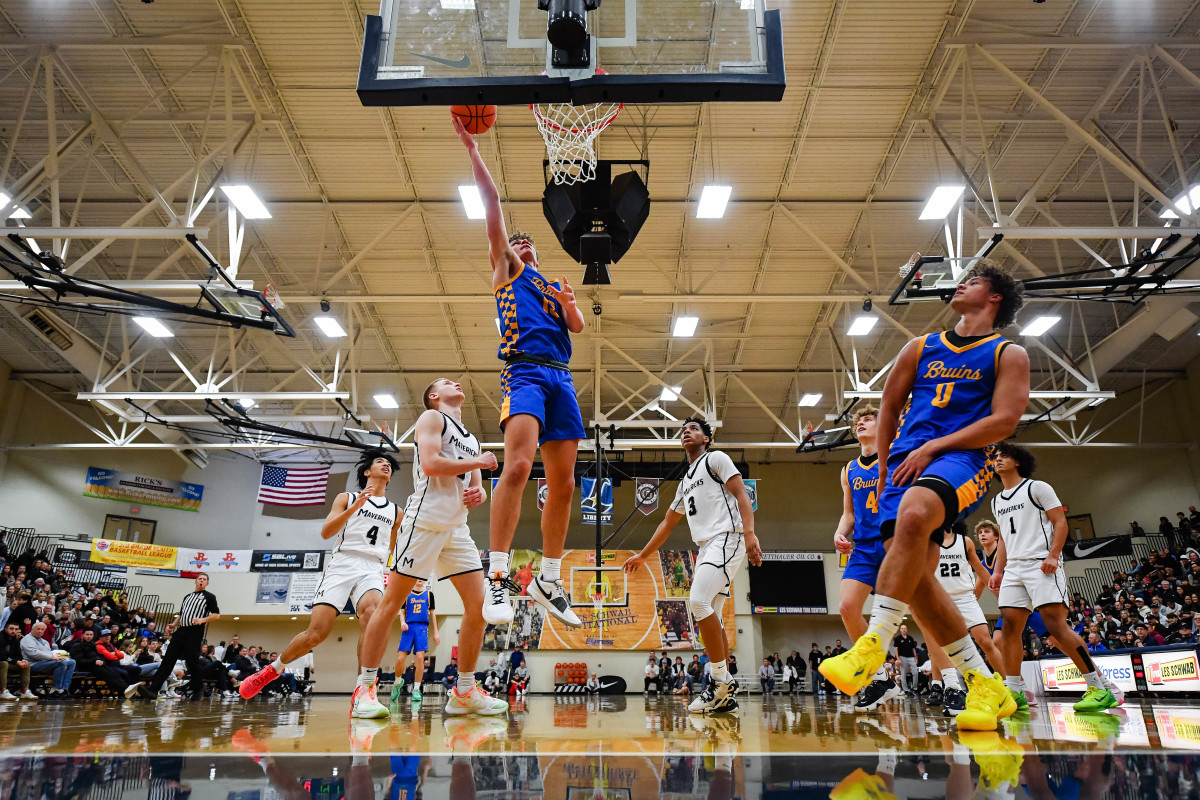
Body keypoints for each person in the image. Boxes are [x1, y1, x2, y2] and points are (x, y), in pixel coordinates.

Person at [820, 260, 1029, 732]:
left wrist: (935, 445)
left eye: (973, 281)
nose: (961, 284)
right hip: (907, 462)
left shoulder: (1007, 353)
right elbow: (891, 404)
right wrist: (887, 464)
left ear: (994, 298)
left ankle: (873, 646)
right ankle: (984, 683)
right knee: (916, 583)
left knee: (915, 514)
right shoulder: (920, 347)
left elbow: (1005, 421)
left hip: (963, 459)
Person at [455, 117, 585, 630]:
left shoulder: (551, 286)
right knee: (516, 468)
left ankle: (549, 578)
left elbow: (576, 327)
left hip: (561, 377)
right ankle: (499, 575)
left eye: (530, 241)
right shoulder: (507, 269)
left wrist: (569, 303)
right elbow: (492, 209)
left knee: (566, 482)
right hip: (525, 374)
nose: (523, 243)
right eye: (517, 240)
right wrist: (472, 151)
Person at [349, 378, 508, 720]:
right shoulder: (431, 419)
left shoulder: (471, 439)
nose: (457, 382)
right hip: (423, 523)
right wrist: (479, 463)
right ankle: (364, 688)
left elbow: (474, 488)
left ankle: (464, 692)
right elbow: (433, 464)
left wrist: (478, 493)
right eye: (446, 382)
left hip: (456, 528)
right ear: (435, 397)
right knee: (391, 605)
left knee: (478, 607)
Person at [624, 417, 763, 715]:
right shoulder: (686, 480)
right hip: (708, 546)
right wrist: (643, 555)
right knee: (711, 614)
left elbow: (742, 495)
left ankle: (721, 682)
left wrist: (750, 534)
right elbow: (667, 522)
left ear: (707, 438)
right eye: (684, 429)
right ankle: (723, 692)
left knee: (698, 602)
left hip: (727, 537)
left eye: (694, 428)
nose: (687, 431)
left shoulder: (716, 459)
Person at [240, 450, 401, 699]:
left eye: (389, 463)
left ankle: (364, 689)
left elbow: (393, 547)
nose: (386, 464)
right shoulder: (346, 498)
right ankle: (273, 670)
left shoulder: (395, 512)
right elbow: (326, 532)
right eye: (380, 461)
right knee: (316, 634)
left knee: (371, 615)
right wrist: (354, 508)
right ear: (367, 471)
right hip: (343, 562)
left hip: (372, 567)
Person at [990, 441, 1121, 714]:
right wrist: (998, 570)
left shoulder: (1037, 487)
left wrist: (1053, 555)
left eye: (1004, 455)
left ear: (1018, 461)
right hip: (1013, 568)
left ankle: (1098, 686)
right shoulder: (996, 500)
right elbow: (1003, 538)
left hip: (1041, 563)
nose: (998, 459)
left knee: (1056, 626)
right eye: (995, 457)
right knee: (1009, 630)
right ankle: (1015, 690)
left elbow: (1061, 522)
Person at [832, 405, 904, 711]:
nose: (861, 423)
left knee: (915, 614)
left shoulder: (896, 457)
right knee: (847, 607)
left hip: (893, 543)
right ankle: (881, 676)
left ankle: (951, 681)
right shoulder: (848, 470)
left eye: (869, 419)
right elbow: (849, 514)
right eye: (858, 421)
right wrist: (839, 533)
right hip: (862, 547)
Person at [928, 521, 1006, 716]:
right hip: (942, 599)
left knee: (985, 640)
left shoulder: (966, 542)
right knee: (941, 645)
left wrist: (1002, 596)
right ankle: (944, 686)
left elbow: (980, 570)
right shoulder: (929, 542)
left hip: (965, 598)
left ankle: (1009, 685)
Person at [147, 573, 220, 700]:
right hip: (181, 631)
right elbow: (182, 614)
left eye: (204, 579)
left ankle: (198, 687)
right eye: (200, 579)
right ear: (196, 581)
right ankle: (153, 689)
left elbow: (216, 615)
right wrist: (173, 624)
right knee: (168, 660)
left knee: (192, 662)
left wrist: (202, 620)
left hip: (195, 631)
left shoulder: (209, 597)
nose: (202, 581)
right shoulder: (188, 596)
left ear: (207, 583)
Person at [392, 580, 440, 703]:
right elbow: (402, 612)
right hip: (408, 628)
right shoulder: (406, 593)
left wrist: (436, 632)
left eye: (422, 577)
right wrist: (402, 622)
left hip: (422, 628)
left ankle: (416, 689)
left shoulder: (429, 594)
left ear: (425, 580)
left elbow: (433, 614)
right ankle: (397, 682)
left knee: (420, 657)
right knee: (400, 658)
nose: (419, 579)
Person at [21, 621, 75, 696]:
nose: (40, 631)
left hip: (46, 663)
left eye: (42, 629)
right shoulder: (27, 639)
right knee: (60, 663)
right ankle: (55, 689)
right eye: (38, 629)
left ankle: (64, 689)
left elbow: (49, 653)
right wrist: (51, 657)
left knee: (72, 662)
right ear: (32, 629)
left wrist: (60, 658)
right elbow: (33, 653)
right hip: (33, 664)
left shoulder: (44, 641)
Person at [0, 621, 35, 700]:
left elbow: (18, 655)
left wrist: (22, 660)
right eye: (11, 629)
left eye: (16, 629)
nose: (13, 631)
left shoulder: (15, 640)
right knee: (4, 663)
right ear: (6, 629)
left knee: (26, 665)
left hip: (9, 663)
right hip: (2, 663)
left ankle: (24, 691)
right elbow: (1, 655)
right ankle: (3, 691)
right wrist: (16, 661)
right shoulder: (1, 638)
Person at [892, 625, 919, 695]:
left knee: (915, 672)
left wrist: (915, 658)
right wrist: (898, 659)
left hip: (911, 657)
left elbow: (913, 649)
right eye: (902, 629)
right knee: (903, 674)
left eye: (905, 629)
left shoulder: (910, 638)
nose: (904, 630)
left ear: (907, 630)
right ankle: (906, 689)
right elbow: (896, 649)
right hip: (902, 657)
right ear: (900, 630)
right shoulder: (898, 638)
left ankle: (914, 688)